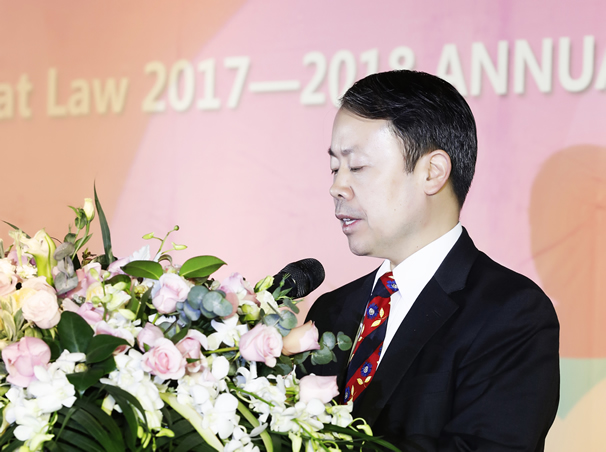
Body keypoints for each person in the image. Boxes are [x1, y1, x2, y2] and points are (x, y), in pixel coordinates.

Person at [305, 70, 559, 451]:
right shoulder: (329, 312)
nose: (336, 187)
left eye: (356, 167)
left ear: (432, 173)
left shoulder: (511, 314)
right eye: (334, 168)